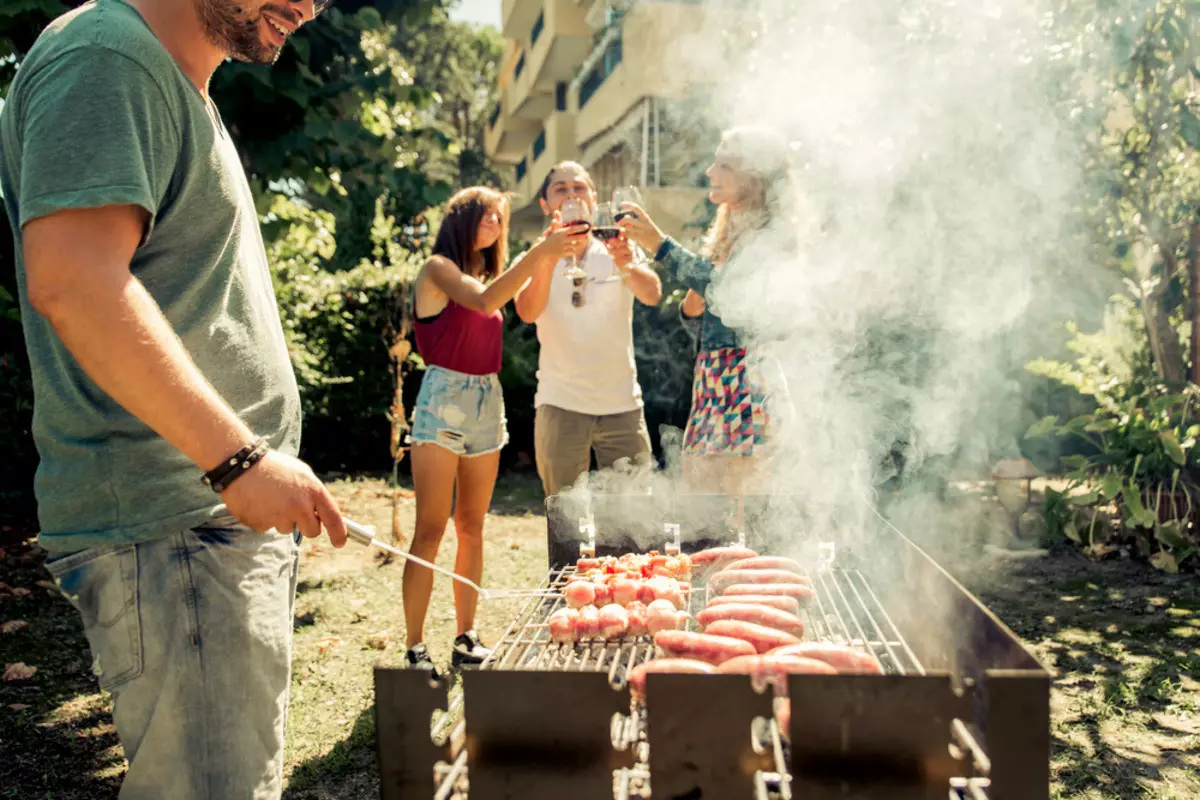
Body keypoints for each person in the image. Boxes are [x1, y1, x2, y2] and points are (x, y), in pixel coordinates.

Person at [0, 0, 346, 798]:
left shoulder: (175, 80)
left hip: (200, 531)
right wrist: (238, 460)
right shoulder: (109, 56)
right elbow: (77, 284)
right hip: (177, 532)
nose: (311, 3)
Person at [403, 187, 588, 676]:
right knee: (430, 530)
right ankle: (416, 647)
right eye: (488, 215)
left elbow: (520, 301)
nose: (496, 224)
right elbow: (485, 301)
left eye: (501, 219)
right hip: (443, 401)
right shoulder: (438, 269)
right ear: (462, 217)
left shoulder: (487, 275)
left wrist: (546, 257)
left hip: (487, 401)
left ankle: (466, 638)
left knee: (472, 526)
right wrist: (539, 252)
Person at [619, 127, 794, 521]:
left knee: (743, 514)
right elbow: (700, 318)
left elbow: (729, 295)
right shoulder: (729, 232)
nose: (710, 171)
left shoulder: (772, 236)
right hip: (713, 377)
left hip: (749, 379)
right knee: (703, 511)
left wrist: (661, 245)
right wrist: (696, 300)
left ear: (755, 176)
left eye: (724, 165)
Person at [513, 162, 664, 499]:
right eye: (561, 189)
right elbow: (527, 311)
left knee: (633, 523)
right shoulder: (534, 257)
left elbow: (652, 293)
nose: (571, 195)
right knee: (564, 523)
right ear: (545, 204)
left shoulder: (617, 247)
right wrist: (548, 258)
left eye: (579, 188)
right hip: (560, 404)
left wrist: (626, 263)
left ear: (593, 199)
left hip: (622, 404)